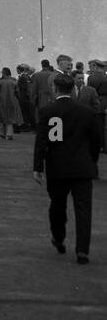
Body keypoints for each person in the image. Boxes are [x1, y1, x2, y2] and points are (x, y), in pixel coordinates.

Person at [34, 72, 100, 264]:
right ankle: (82, 250)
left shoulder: (47, 111)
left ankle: (59, 237)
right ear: (73, 90)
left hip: (57, 166)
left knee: (57, 205)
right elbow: (96, 141)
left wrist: (37, 166)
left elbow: (42, 141)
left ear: (55, 88)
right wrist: (92, 160)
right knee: (83, 209)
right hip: (82, 167)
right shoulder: (87, 112)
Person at [0, 67, 22, 140]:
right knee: (10, 118)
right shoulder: (14, 81)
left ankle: (3, 133)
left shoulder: (0, 82)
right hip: (13, 101)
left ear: (4, 73)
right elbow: (18, 92)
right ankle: (9, 134)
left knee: (2, 117)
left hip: (2, 101)